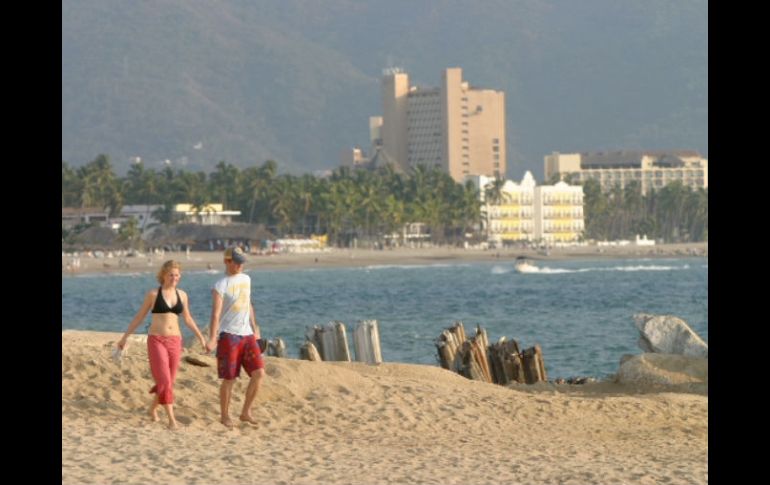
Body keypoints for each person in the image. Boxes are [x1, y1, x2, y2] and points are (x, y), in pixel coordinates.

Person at [117, 260, 206, 429]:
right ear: (163, 275)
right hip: (157, 340)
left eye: (177, 275)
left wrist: (200, 337)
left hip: (175, 341)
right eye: (171, 275)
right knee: (165, 380)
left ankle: (152, 409)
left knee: (169, 382)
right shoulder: (153, 294)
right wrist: (125, 338)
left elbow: (187, 318)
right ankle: (172, 420)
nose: (174, 278)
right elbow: (139, 317)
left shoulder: (182, 295)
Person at [205, 246, 265, 428]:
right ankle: (224, 415)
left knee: (259, 373)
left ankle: (246, 412)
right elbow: (215, 314)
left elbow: (248, 304)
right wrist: (212, 338)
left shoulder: (246, 279)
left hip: (247, 335)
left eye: (241, 262)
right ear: (227, 261)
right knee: (229, 378)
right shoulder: (220, 285)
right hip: (228, 336)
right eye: (236, 262)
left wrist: (255, 328)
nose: (240, 265)